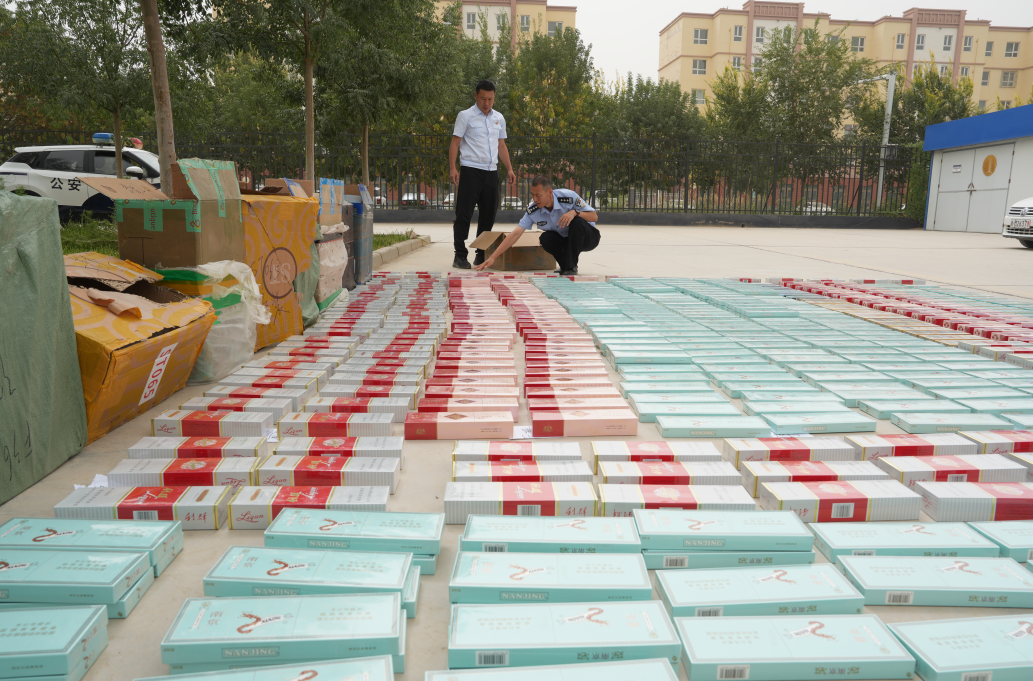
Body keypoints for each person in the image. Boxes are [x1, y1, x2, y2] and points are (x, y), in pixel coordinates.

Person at [448, 79, 517, 269]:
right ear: (475, 96)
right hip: (470, 170)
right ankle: (460, 255)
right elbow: (455, 142)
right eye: (483, 98)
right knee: (464, 214)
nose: (486, 103)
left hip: (491, 172)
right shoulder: (465, 116)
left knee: (488, 215)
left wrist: (509, 168)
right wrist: (453, 168)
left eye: (490, 99)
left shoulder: (499, 118)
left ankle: (481, 253)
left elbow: (501, 145)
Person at [475, 175, 600, 275]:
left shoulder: (568, 197)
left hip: (587, 238)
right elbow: (515, 234)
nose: (535, 199)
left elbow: (594, 216)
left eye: (538, 195)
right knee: (545, 238)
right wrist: (493, 257)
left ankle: (571, 267)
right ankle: (566, 267)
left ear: (550, 192)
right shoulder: (533, 210)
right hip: (566, 241)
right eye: (532, 195)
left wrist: (575, 212)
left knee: (577, 222)